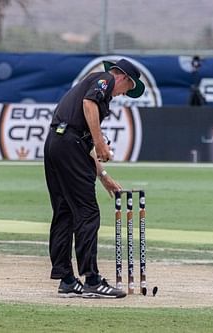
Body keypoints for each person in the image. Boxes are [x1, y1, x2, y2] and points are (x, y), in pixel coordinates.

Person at [43, 58, 145, 299]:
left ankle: (67, 280)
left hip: (56, 143)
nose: (122, 95)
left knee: (64, 212)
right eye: (127, 89)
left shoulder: (93, 94)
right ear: (123, 77)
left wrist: (104, 177)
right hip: (69, 144)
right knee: (88, 212)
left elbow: (84, 145)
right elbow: (90, 104)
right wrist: (100, 143)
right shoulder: (105, 79)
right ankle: (92, 280)